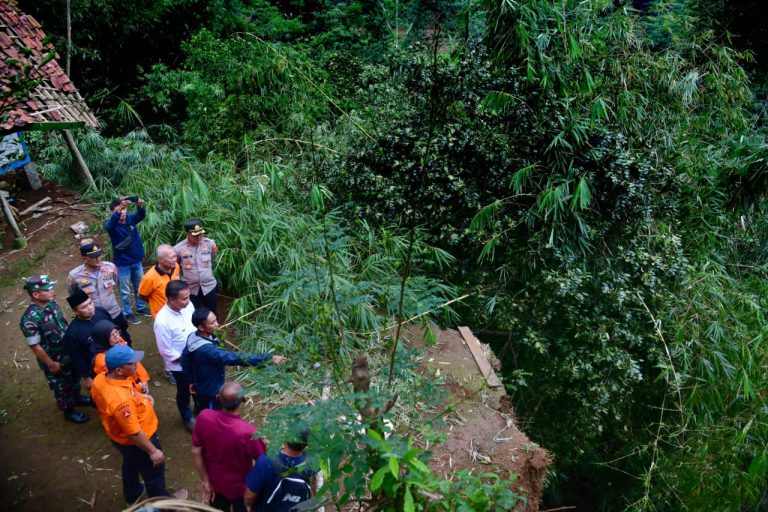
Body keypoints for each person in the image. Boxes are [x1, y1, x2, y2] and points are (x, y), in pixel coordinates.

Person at [90, 345, 187, 504]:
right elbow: (134, 433)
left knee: (130, 464)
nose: (137, 365)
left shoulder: (101, 378)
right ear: (119, 370)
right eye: (132, 363)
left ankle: (132, 493)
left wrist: (141, 397)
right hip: (139, 441)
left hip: (118, 438)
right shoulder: (122, 402)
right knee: (154, 475)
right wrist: (152, 450)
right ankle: (164, 504)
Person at [182, 308, 286, 412]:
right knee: (212, 412)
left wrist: (190, 380)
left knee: (201, 403)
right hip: (210, 390)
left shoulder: (193, 336)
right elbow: (234, 357)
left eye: (216, 320)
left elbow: (185, 358)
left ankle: (200, 409)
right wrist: (267, 358)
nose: (218, 324)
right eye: (213, 322)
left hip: (201, 382)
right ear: (201, 327)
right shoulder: (208, 350)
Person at [19, 275, 90, 424]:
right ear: (36, 294)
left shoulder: (52, 304)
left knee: (74, 377)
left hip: (68, 352)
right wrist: (50, 364)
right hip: (54, 359)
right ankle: (68, 410)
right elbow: (35, 346)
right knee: (61, 385)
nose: (52, 291)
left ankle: (76, 398)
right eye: (48, 289)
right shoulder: (29, 319)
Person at [191, 382, 267, 511]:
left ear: (217, 398)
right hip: (240, 488)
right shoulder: (248, 432)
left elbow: (196, 450)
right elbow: (263, 461)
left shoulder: (204, 417)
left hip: (214, 483)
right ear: (244, 399)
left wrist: (205, 480)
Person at [62, 288, 132, 391]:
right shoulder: (73, 333)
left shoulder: (101, 312)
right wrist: (86, 377)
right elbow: (77, 357)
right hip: (98, 368)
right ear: (76, 311)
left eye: (90, 303)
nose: (90, 308)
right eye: (84, 307)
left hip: (117, 358)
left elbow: (115, 330)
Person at [67, 241, 134, 338]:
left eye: (99, 255)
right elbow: (74, 295)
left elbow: (114, 282)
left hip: (114, 312)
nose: (98, 259)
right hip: (95, 317)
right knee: (102, 341)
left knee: (123, 335)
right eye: (94, 257)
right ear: (84, 258)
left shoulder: (110, 267)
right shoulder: (74, 275)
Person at [154, 280, 195, 429]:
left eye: (188, 297)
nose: (188, 301)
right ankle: (187, 416)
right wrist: (186, 358)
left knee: (197, 385)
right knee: (184, 390)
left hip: (195, 358)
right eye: (184, 298)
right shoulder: (162, 321)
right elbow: (165, 350)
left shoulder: (188, 306)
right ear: (171, 299)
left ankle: (199, 409)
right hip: (180, 364)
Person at [244, 430, 316, 512]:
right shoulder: (312, 462)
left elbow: (250, 495)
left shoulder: (265, 462)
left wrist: (248, 505)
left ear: (285, 440)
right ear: (306, 445)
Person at [106, 196, 152, 324]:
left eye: (125, 209)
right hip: (122, 264)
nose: (123, 212)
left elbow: (140, 215)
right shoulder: (112, 226)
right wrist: (119, 209)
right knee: (125, 290)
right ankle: (127, 313)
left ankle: (141, 307)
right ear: (113, 211)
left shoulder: (130, 219)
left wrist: (139, 206)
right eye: (120, 209)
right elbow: (110, 225)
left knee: (140, 286)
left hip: (136, 261)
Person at [91, 319, 150, 393]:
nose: (117, 337)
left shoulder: (118, 341)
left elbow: (133, 359)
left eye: (117, 332)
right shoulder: (102, 362)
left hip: (134, 381)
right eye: (112, 335)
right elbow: (118, 382)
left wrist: (143, 379)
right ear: (103, 338)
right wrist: (138, 388)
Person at [174, 220, 219, 312]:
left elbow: (213, 258)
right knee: (194, 315)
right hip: (191, 289)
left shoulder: (210, 244)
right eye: (195, 235)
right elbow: (176, 267)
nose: (199, 237)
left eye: (201, 234)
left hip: (209, 286)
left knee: (212, 313)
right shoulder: (178, 249)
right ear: (187, 233)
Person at [138, 244, 181, 318]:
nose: (175, 260)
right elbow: (141, 295)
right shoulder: (149, 277)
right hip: (162, 315)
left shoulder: (176, 266)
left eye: (175, 256)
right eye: (171, 258)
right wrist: (154, 302)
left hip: (177, 310)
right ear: (160, 259)